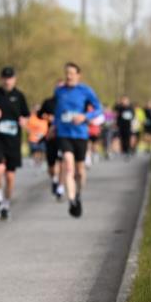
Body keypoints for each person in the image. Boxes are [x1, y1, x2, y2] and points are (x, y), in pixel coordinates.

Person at [53, 62, 103, 219]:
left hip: (80, 134)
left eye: (72, 73)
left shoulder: (85, 91)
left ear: (78, 75)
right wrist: (53, 126)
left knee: (80, 171)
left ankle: (78, 193)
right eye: (67, 73)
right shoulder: (59, 91)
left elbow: (99, 109)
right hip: (64, 134)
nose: (69, 76)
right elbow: (57, 111)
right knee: (68, 165)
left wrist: (85, 116)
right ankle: (72, 199)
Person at [0, 66, 30, 221]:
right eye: (5, 78)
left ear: (14, 79)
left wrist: (24, 121)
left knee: (10, 177)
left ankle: (6, 204)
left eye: (10, 78)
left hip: (13, 139)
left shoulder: (19, 96)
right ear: (1, 79)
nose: (7, 81)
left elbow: (26, 115)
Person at [39, 89, 63, 201]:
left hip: (63, 136)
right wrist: (47, 117)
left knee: (63, 161)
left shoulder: (66, 101)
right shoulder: (48, 102)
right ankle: (54, 179)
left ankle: (61, 187)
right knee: (51, 164)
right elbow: (39, 114)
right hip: (50, 136)